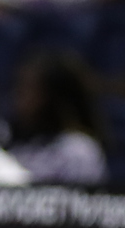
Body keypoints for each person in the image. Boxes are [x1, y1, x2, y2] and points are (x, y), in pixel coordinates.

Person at [8, 48, 110, 184]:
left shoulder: (78, 151)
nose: (18, 96)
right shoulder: (11, 141)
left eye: (26, 89)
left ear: (51, 97)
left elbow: (81, 201)